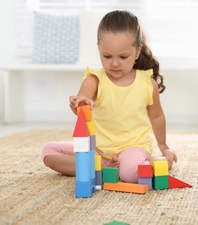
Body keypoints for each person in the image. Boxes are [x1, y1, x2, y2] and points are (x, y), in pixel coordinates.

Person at [42, 10, 177, 183]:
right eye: (107, 56)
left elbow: (157, 117)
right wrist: (80, 103)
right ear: (99, 49)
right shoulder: (94, 79)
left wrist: (163, 146)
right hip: (97, 151)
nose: (114, 63)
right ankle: (104, 169)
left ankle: (161, 162)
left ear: (137, 51)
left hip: (132, 148)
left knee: (130, 173)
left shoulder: (146, 83)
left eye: (123, 56)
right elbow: (82, 99)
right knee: (49, 152)